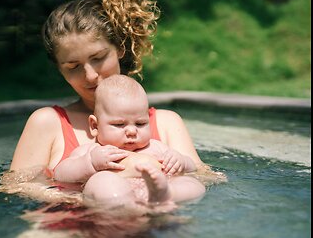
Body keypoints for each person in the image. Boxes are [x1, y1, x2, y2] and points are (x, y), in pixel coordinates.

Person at [8, 0, 217, 203]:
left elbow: (207, 177)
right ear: (59, 69)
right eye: (73, 66)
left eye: (98, 58)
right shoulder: (47, 122)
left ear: (119, 49)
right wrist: (87, 198)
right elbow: (14, 188)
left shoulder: (167, 123)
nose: (90, 75)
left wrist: (170, 173)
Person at [53, 75, 206, 207]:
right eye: (119, 124)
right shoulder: (92, 151)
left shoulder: (156, 147)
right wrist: (90, 163)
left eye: (140, 124)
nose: (132, 131)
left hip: (157, 191)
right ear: (95, 125)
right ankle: (125, 207)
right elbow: (60, 174)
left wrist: (181, 161)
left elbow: (193, 167)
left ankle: (166, 194)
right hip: (118, 197)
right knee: (101, 181)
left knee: (192, 184)